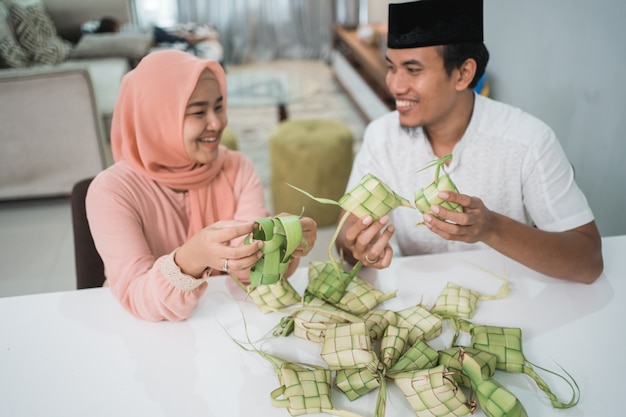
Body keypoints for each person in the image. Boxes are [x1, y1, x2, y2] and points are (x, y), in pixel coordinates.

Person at [335, 0, 603, 284]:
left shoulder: (529, 141)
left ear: (463, 74)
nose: (395, 85)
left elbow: (588, 261)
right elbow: (345, 237)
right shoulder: (381, 137)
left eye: (413, 70)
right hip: (423, 302)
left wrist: (491, 228)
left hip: (517, 301)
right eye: (392, 67)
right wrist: (356, 248)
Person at [86, 50, 317, 321]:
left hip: (221, 324)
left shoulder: (239, 168)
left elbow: (248, 272)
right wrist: (191, 258)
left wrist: (278, 243)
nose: (217, 123)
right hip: (143, 336)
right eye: (198, 112)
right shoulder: (111, 192)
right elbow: (137, 296)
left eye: (219, 106)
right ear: (158, 119)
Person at [95, 16, 216, 47]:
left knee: (178, 39)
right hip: (153, 30)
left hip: (153, 34)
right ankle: (203, 37)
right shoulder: (123, 30)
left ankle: (204, 38)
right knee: (175, 36)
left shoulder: (122, 34)